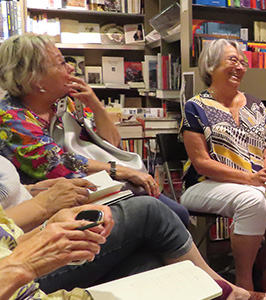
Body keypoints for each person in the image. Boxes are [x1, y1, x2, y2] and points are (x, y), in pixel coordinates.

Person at [0, 155, 266, 300]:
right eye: (57, 62)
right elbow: (64, 160)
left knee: (151, 260)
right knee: (152, 210)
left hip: (25, 240)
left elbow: (109, 141)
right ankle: (228, 290)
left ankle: (222, 289)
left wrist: (38, 196)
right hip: (21, 273)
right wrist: (41, 212)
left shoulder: (66, 109)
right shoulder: (16, 119)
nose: (67, 68)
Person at [0, 33, 189, 226]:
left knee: (177, 213)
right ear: (35, 79)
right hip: (62, 207)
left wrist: (95, 104)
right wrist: (121, 171)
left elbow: (112, 143)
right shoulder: (11, 119)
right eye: (61, 63)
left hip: (102, 187)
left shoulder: (63, 104)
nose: (71, 68)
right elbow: (57, 166)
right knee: (166, 216)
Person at [180, 39, 266, 293]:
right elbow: (201, 163)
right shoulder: (195, 107)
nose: (239, 67)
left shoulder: (256, 105)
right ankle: (244, 281)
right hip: (205, 185)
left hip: (253, 184)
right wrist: (251, 178)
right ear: (211, 65)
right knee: (253, 202)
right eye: (232, 60)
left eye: (242, 62)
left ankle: (265, 266)